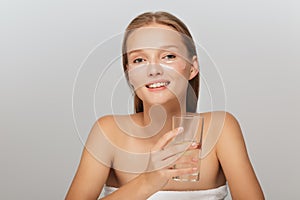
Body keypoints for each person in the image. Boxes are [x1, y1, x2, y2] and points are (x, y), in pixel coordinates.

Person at [66, 11, 264, 200]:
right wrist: (148, 181)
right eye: (139, 59)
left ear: (192, 67)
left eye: (169, 56)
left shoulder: (221, 129)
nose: (153, 70)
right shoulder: (108, 132)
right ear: (129, 73)